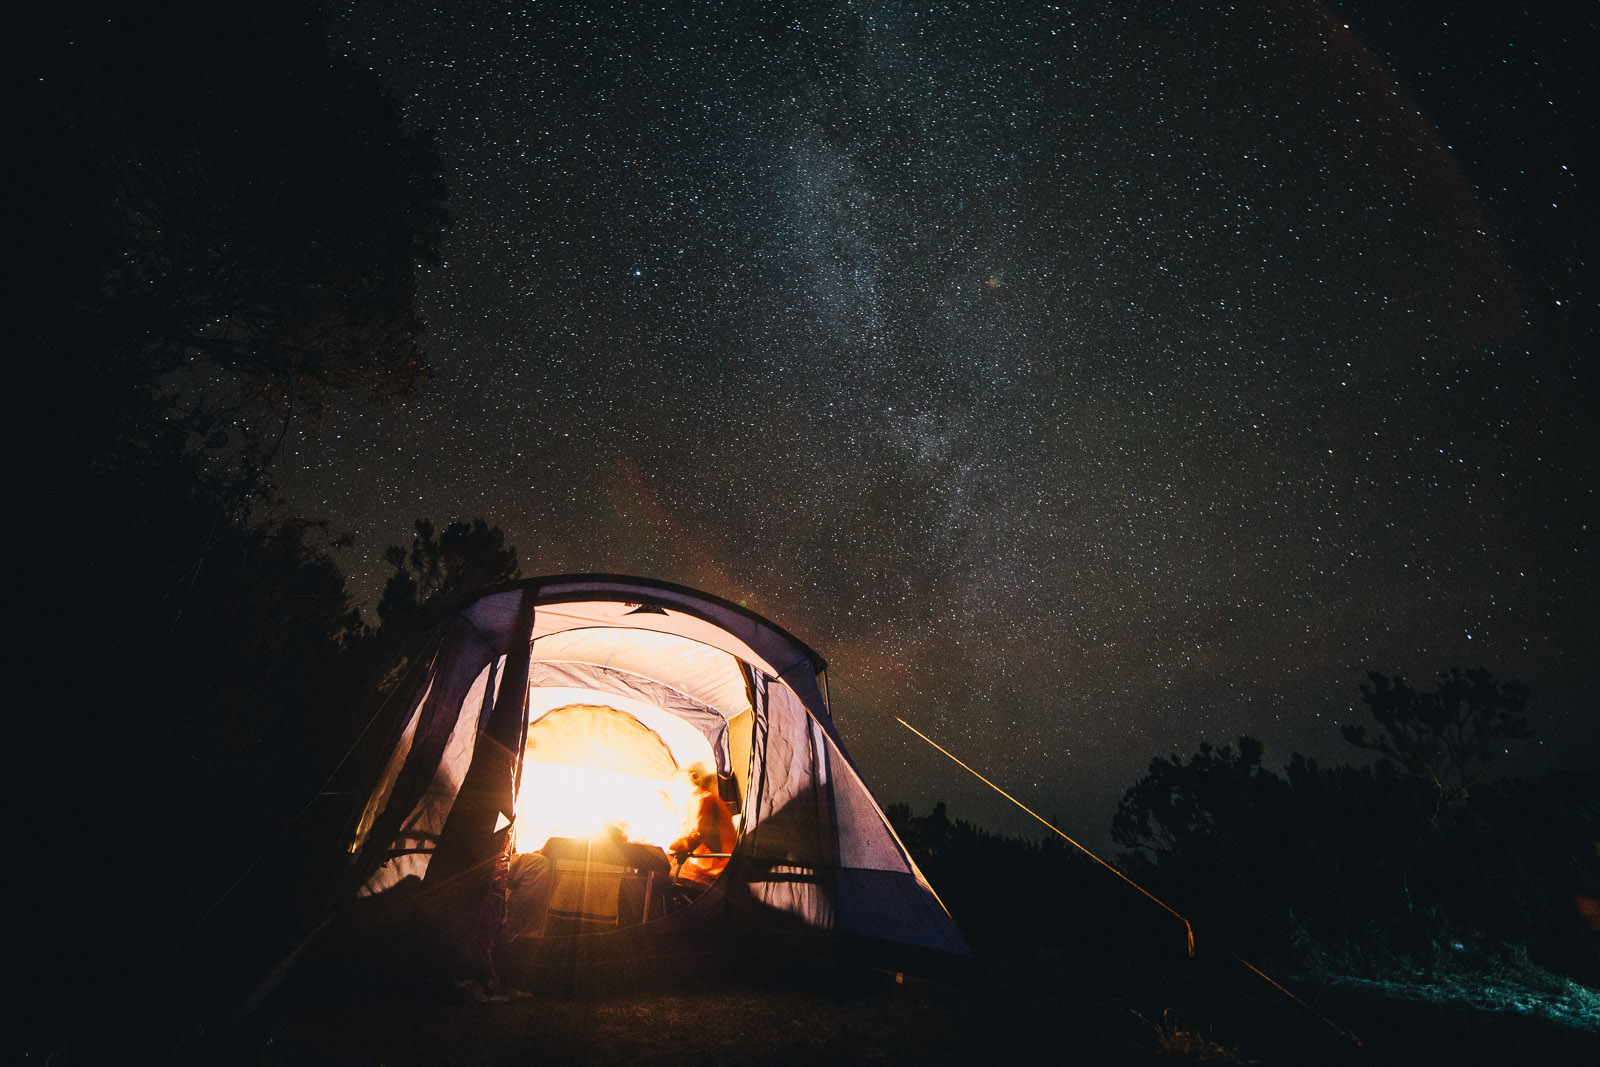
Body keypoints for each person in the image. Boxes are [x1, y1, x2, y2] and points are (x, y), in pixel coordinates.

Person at [670, 763, 737, 889]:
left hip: (716, 868)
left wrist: (672, 846)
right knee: (661, 869)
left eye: (678, 783)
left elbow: (697, 836)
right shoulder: (695, 802)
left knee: (661, 877)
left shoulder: (706, 800)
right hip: (702, 865)